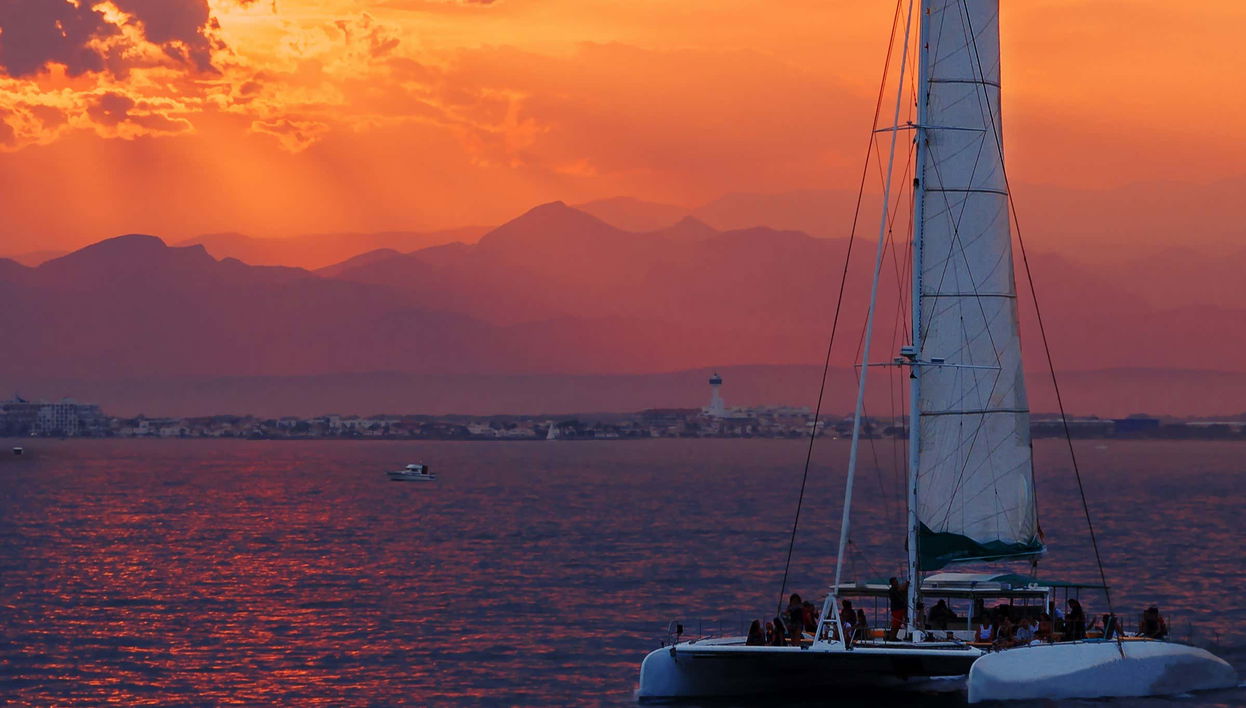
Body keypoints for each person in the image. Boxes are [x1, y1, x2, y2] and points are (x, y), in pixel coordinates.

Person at [886, 577, 909, 641]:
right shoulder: (893, 590)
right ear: (892, 583)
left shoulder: (895, 589)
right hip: (897, 609)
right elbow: (901, 589)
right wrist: (906, 584)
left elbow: (901, 589)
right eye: (895, 581)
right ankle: (892, 637)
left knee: (898, 623)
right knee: (896, 624)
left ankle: (893, 637)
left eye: (897, 581)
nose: (897, 582)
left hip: (900, 609)